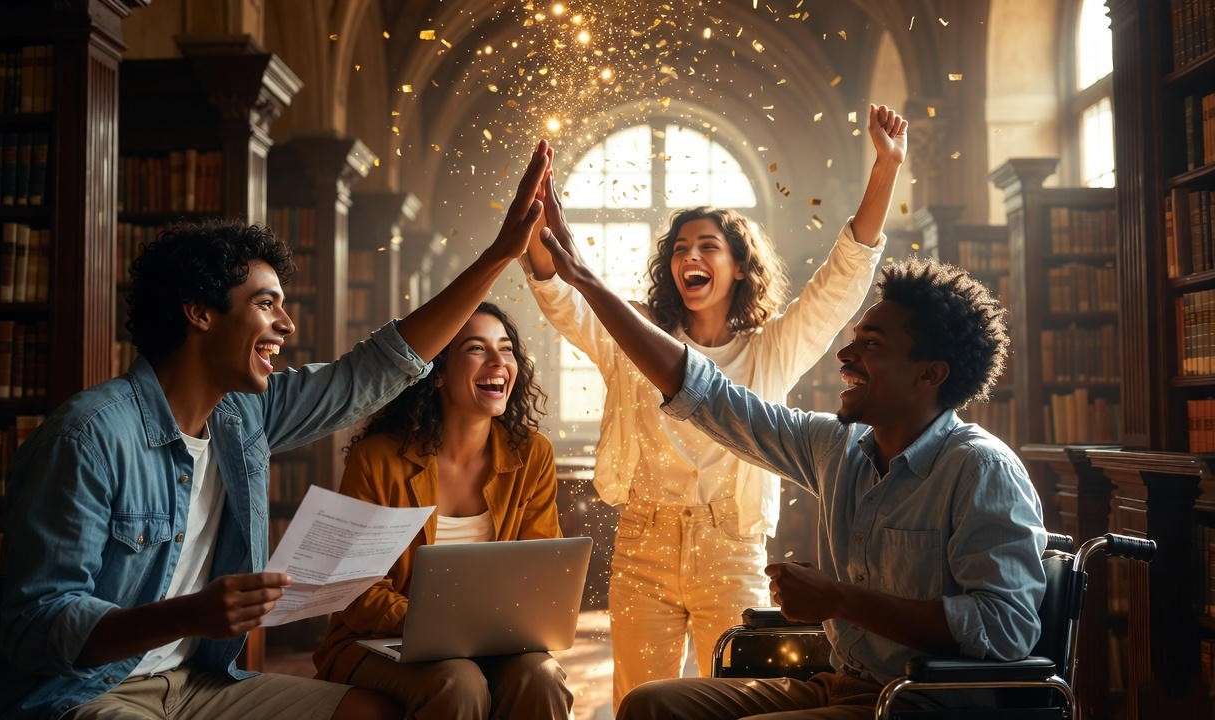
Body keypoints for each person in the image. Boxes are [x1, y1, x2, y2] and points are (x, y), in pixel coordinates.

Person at [0, 143, 553, 720]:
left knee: (375, 713)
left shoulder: (244, 416)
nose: (286, 324)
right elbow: (35, 624)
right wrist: (186, 616)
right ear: (200, 313)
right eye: (266, 305)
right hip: (89, 692)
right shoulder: (88, 437)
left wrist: (500, 254)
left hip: (203, 682)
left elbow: (374, 371)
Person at [537, 208, 1047, 718]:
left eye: (870, 345)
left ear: (930, 375)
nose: (844, 356)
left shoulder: (981, 469)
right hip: (837, 683)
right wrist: (581, 276)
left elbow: (1007, 629)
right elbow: (713, 399)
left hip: (914, 702)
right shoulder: (838, 448)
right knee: (649, 703)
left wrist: (842, 600)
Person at [521, 105, 906, 705]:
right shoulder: (634, 339)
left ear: (738, 267)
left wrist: (885, 169)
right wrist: (538, 225)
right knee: (640, 702)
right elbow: (561, 299)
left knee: (736, 701)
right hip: (643, 542)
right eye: (679, 249)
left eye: (708, 246)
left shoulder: (770, 349)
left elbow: (841, 283)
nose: (689, 258)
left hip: (732, 546)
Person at [314, 302, 572, 720]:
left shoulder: (531, 454)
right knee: (458, 681)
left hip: (494, 640)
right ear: (437, 373)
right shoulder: (377, 459)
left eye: (506, 349)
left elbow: (541, 573)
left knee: (541, 676)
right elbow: (354, 591)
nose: (498, 362)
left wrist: (480, 630)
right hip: (375, 639)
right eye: (476, 349)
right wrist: (440, 627)